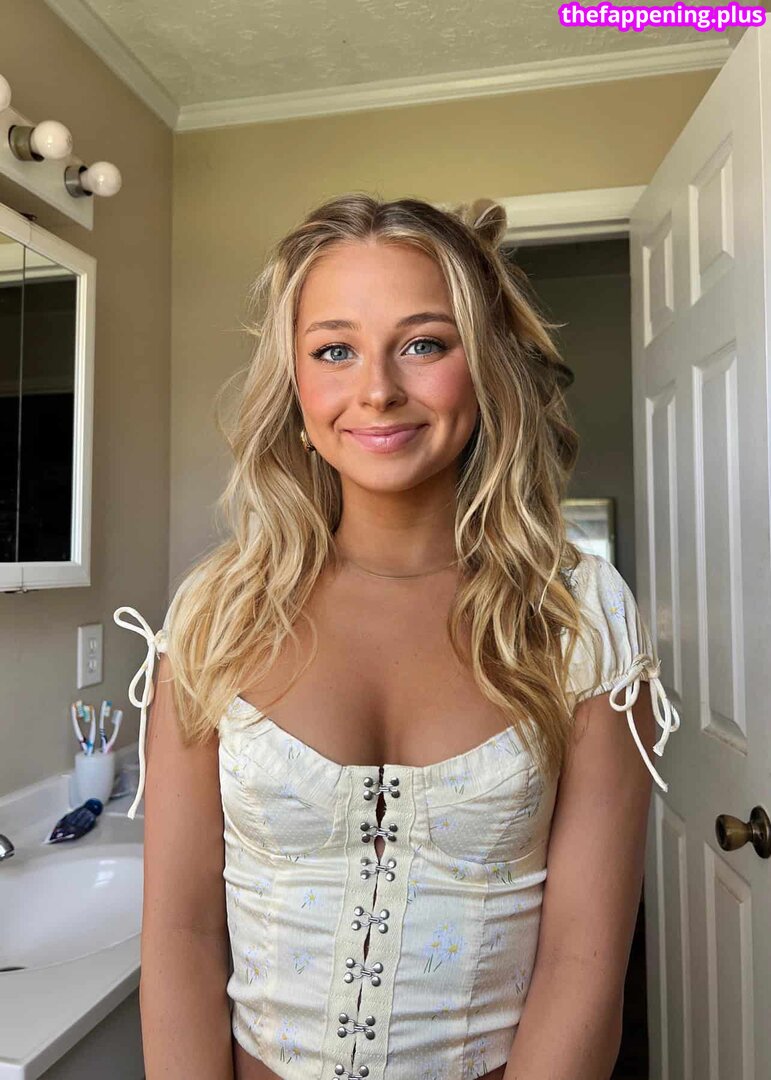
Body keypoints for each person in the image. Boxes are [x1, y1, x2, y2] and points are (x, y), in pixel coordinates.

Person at [114, 193, 680, 1080]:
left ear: (483, 366)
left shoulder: (580, 614)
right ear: (294, 384)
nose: (376, 389)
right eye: (334, 350)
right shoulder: (216, 611)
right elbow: (181, 932)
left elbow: (584, 956)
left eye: (423, 344)